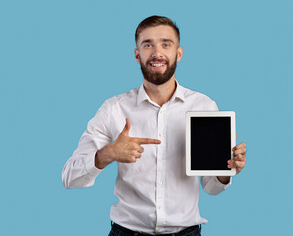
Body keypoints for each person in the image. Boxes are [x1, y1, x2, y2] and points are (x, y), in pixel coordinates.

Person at [62, 15, 247, 236]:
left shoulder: (204, 106)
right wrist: (108, 153)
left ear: (178, 54)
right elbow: (69, 177)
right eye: (148, 44)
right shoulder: (113, 109)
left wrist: (226, 169)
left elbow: (211, 187)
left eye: (166, 44)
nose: (157, 53)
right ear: (137, 54)